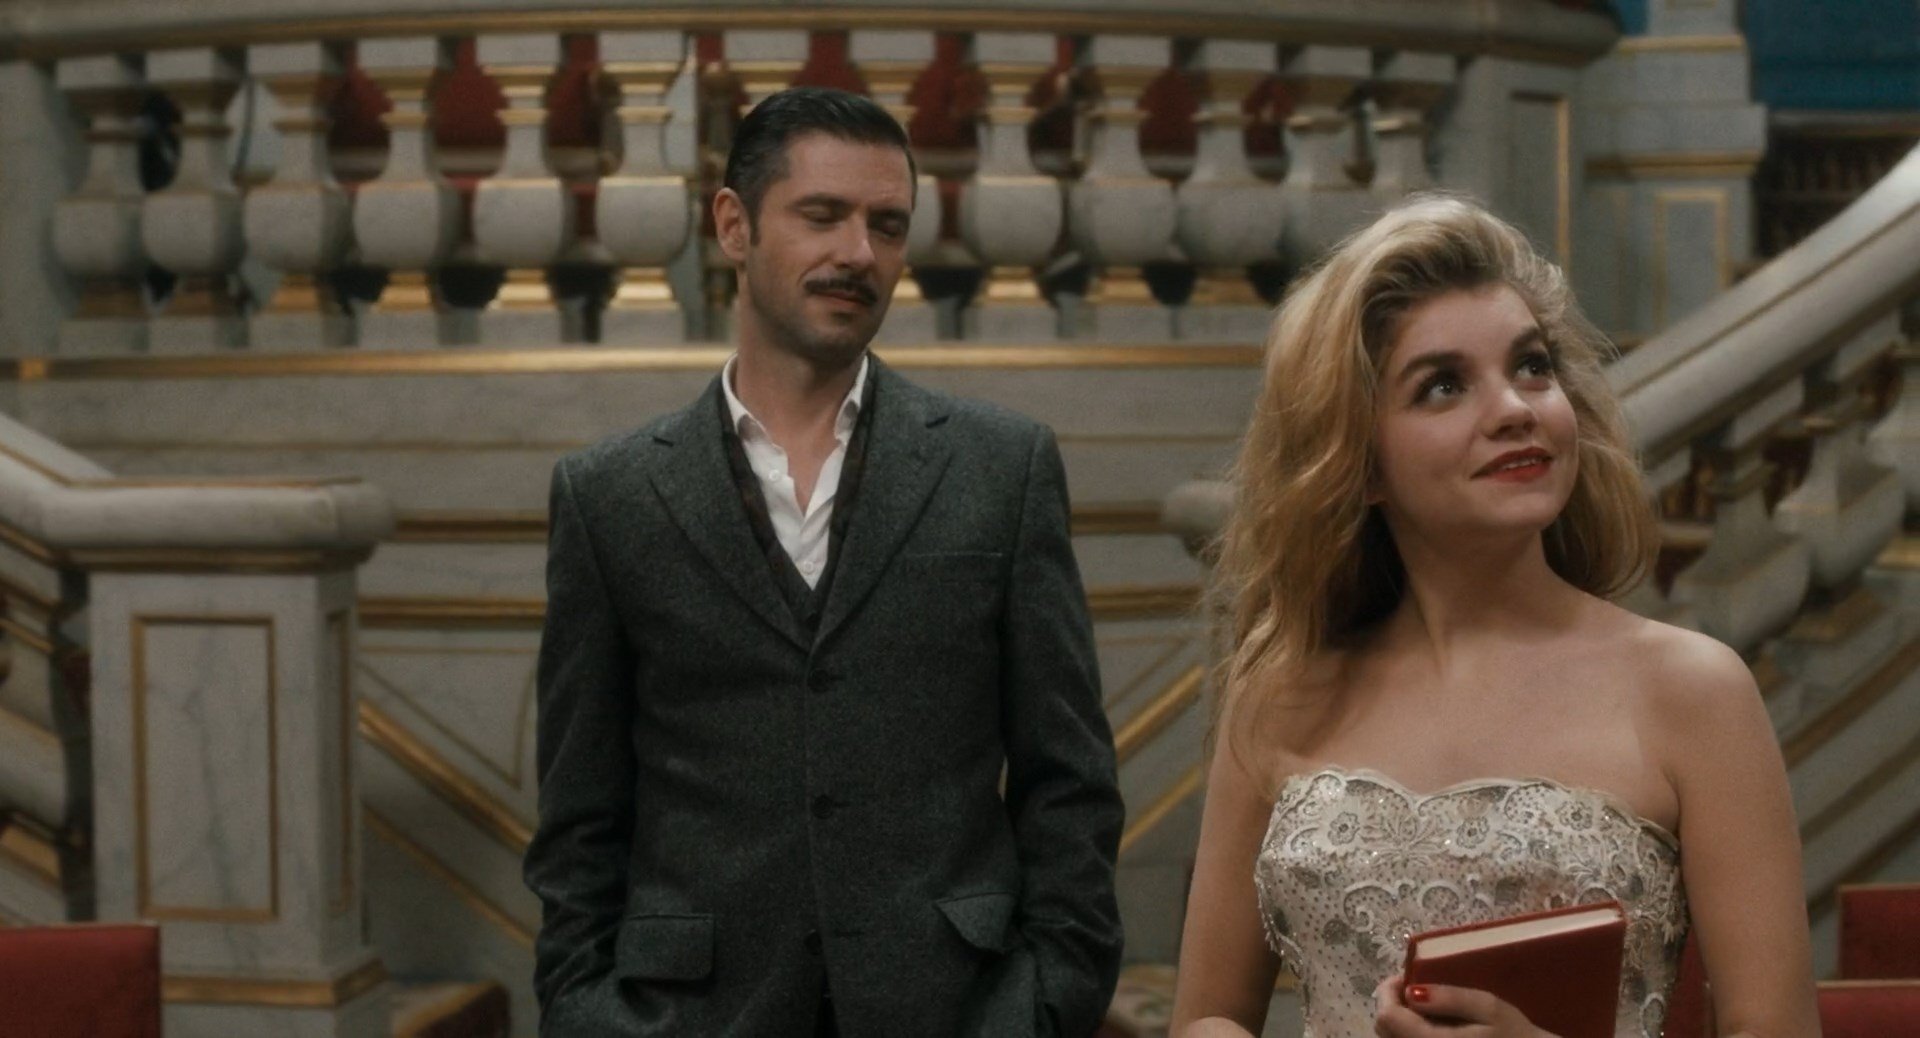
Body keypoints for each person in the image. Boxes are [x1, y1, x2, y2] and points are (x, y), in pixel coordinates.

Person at [522, 86, 1124, 1038]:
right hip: (689, 1018)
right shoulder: (612, 494)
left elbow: (1070, 779)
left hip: (957, 1013)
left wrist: (1048, 999)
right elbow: (578, 817)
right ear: (734, 225)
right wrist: (587, 1009)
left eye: (887, 225)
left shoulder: (1001, 468)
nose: (859, 254)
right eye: (823, 215)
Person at [1169, 196, 1820, 1038]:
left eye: (1533, 366)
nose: (1515, 407)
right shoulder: (1278, 694)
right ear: (1360, 462)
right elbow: (1207, 1018)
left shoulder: (1692, 690)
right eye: (1443, 385)